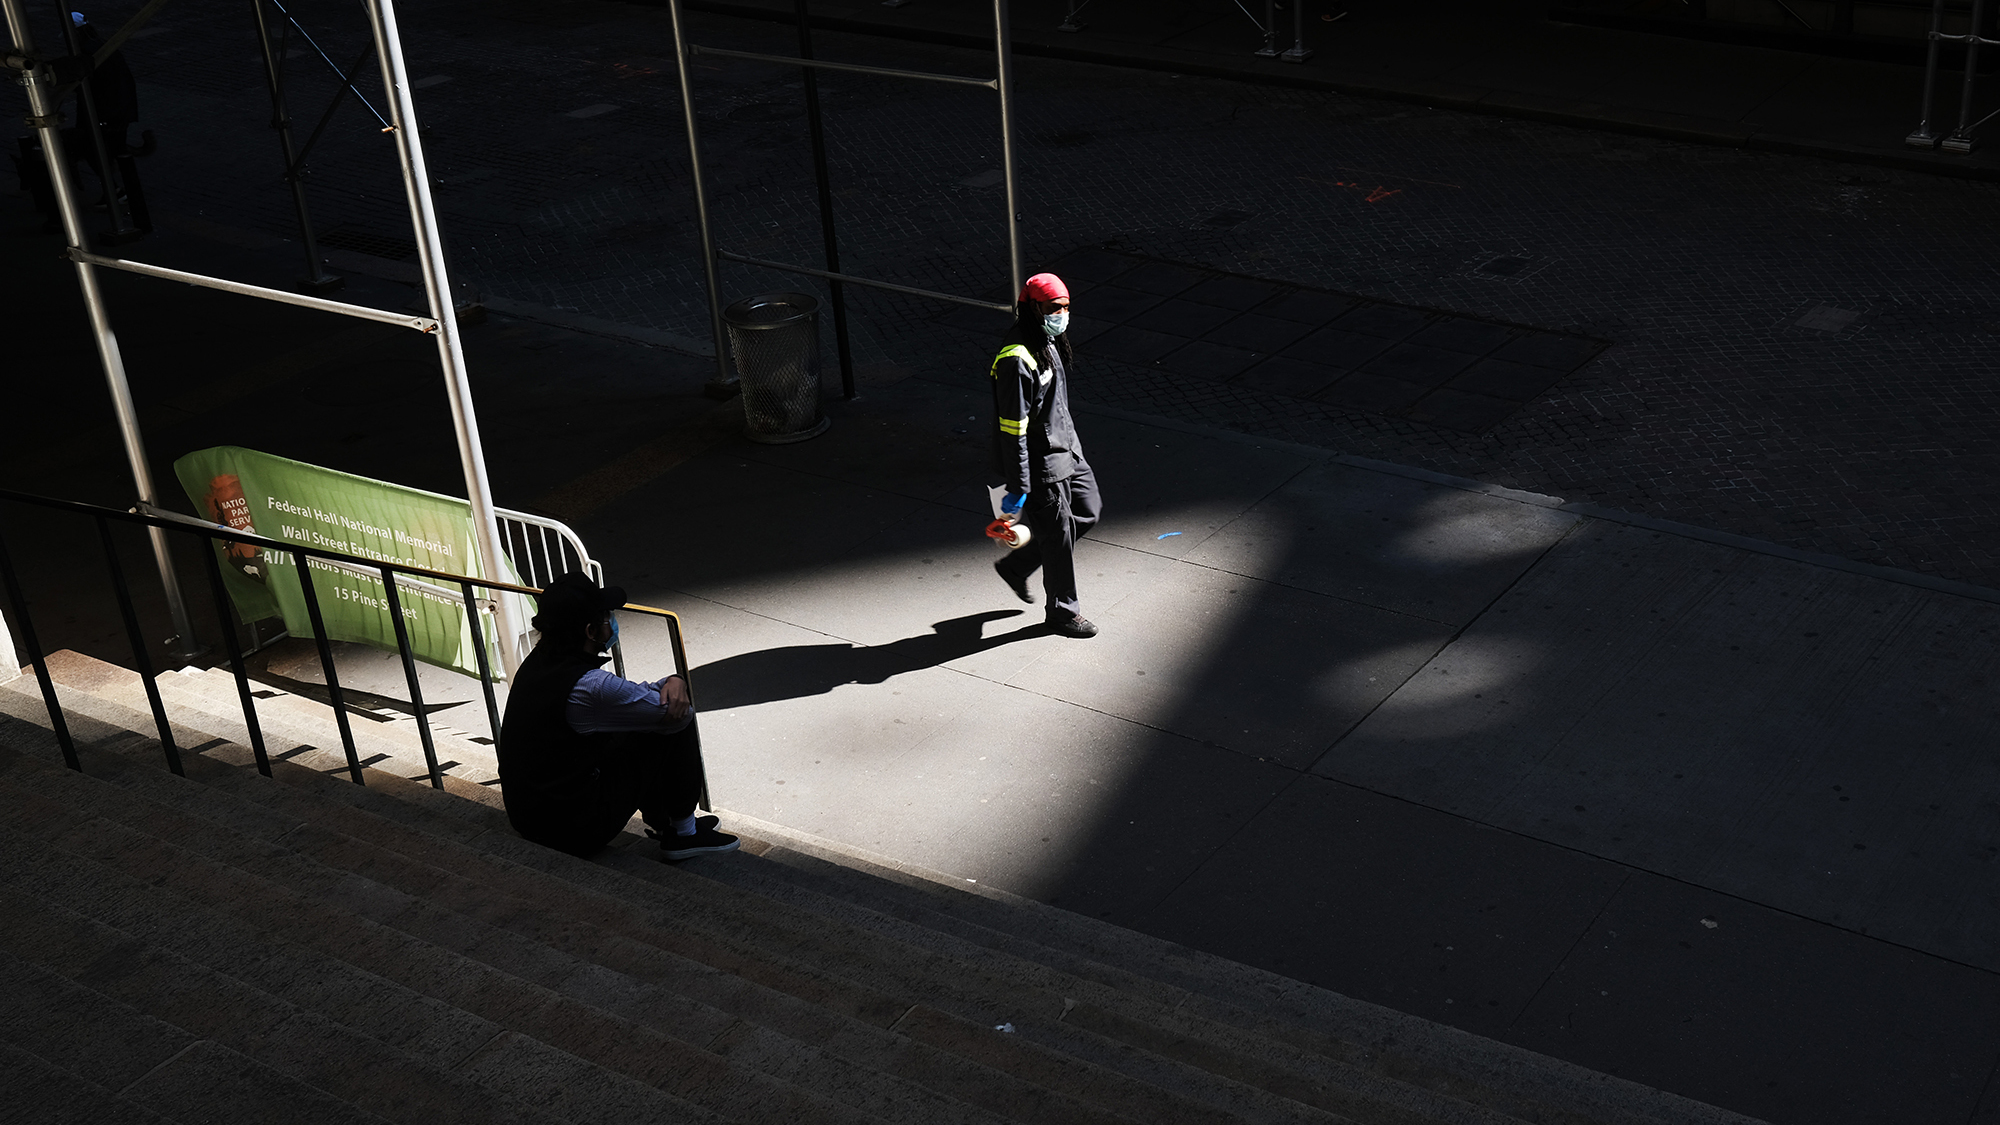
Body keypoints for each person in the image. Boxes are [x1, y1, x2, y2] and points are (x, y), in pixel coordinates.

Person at [497, 571, 738, 860]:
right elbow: (674, 713)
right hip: (571, 829)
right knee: (672, 720)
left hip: (529, 814)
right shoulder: (589, 686)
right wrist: (676, 682)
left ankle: (667, 823)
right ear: (590, 631)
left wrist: (671, 682)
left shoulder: (539, 662)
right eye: (606, 615)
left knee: (635, 722)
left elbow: (628, 699)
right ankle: (684, 833)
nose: (611, 620)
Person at [990, 271, 1102, 638]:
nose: (1061, 314)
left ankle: (1017, 566)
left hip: (1067, 450)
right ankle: (1062, 613)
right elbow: (1013, 430)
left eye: (1065, 307)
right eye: (1054, 308)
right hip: (1043, 465)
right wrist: (1019, 487)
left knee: (1087, 511)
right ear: (1033, 308)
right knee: (1058, 539)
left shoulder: (1047, 341)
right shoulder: (1018, 359)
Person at [62, 12, 138, 203]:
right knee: (114, 150)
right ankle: (127, 190)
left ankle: (115, 191)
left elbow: (90, 84)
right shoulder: (100, 45)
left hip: (105, 113)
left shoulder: (87, 53)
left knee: (94, 151)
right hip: (119, 109)